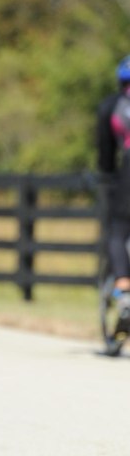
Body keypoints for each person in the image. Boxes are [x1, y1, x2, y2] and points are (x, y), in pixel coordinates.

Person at [97, 54, 130, 330]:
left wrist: (107, 175)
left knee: (118, 230)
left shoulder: (112, 105)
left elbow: (105, 154)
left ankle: (124, 288)